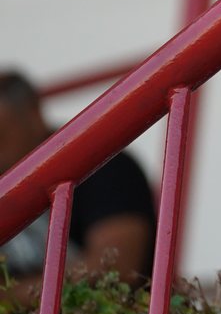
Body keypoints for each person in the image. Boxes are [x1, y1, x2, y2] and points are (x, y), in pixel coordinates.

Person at [0, 71, 156, 285]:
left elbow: (117, 270)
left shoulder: (103, 165)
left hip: (112, 308)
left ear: (33, 113)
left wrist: (9, 297)